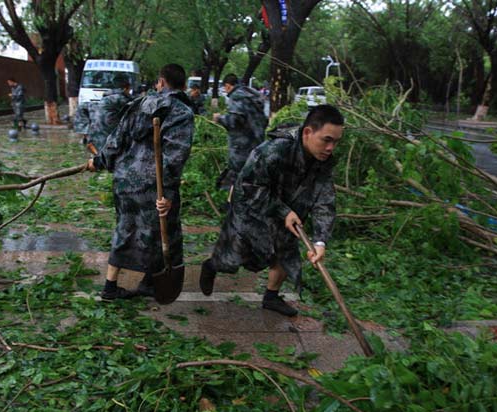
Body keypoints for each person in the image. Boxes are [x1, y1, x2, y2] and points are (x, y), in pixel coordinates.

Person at [199, 105, 345, 317]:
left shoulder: (323, 161)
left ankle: (271, 297)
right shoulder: (273, 150)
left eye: (336, 142)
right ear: (307, 132)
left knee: (286, 252)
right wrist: (283, 210)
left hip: (289, 212)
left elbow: (325, 201)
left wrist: (320, 241)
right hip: (252, 208)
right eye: (327, 140)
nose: (331, 147)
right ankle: (212, 266)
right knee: (234, 257)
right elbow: (249, 187)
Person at [87, 63, 194, 301]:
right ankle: (152, 279)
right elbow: (174, 158)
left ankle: (112, 286)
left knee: (125, 229)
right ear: (183, 85)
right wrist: (167, 194)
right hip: (152, 186)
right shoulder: (182, 113)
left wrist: (100, 160)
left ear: (162, 82)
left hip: (125, 181)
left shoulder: (139, 104)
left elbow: (116, 139)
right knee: (167, 232)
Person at [212, 73, 268, 189]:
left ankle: (236, 199)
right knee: (252, 171)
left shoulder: (236, 96)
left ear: (227, 86)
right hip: (257, 141)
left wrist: (220, 118)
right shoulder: (251, 94)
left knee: (239, 174)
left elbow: (235, 120)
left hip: (241, 144)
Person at [86, 74, 132, 152]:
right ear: (126, 87)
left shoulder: (106, 97)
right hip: (108, 142)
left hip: (94, 139)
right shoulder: (121, 98)